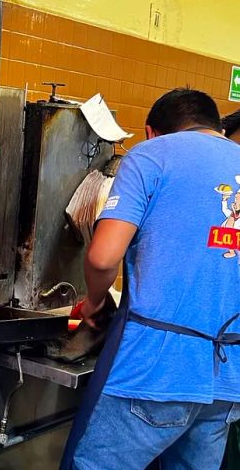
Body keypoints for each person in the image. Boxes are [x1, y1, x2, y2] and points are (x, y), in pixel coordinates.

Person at [60, 89, 240, 469]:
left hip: (154, 369)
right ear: (216, 125)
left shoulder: (151, 155)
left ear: (150, 132)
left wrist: (95, 303)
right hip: (226, 376)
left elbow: (104, 255)